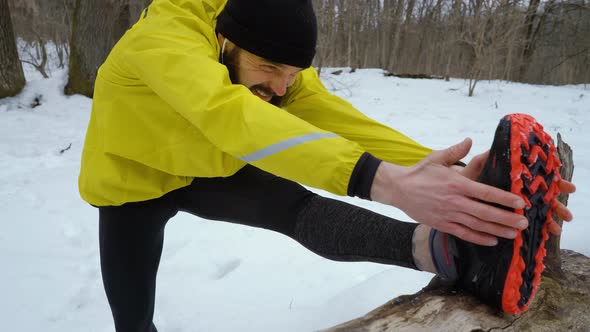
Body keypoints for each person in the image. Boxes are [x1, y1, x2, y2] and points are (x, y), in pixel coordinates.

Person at [78, 0, 576, 331]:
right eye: (268, 69)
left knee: (298, 210)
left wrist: (448, 174)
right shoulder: (163, 41)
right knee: (133, 319)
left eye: (291, 74)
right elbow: (228, 115)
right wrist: (381, 183)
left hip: (211, 169)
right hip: (131, 182)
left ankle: (452, 253)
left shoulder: (271, 54)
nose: (279, 87)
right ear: (224, 40)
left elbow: (340, 120)